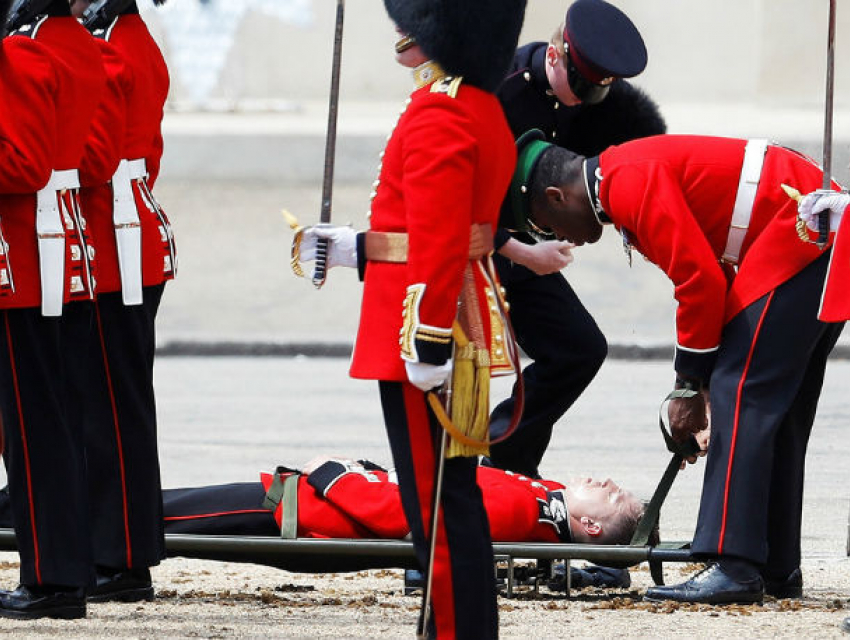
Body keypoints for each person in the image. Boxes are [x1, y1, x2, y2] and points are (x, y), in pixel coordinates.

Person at [508, 130, 846, 604]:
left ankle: (734, 563)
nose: (556, 238)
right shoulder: (620, 176)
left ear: (555, 196)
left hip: (796, 231)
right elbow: (714, 273)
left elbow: (699, 281)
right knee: (776, 409)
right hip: (806, 237)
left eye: (544, 225)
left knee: (743, 392)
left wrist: (690, 387)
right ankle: (773, 564)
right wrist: (701, 386)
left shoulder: (625, 180)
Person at [294, 1, 526, 636]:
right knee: (449, 497)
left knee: (437, 503)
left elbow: (440, 237)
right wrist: (355, 247)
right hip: (449, 310)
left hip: (428, 325)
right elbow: (424, 229)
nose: (403, 32)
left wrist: (425, 341)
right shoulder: (478, 104)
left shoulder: (441, 110)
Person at [489, 0, 666, 479]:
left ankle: (506, 458)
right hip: (473, 246)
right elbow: (454, 197)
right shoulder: (500, 91)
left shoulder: (593, 96)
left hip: (525, 249)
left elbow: (640, 149)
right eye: (580, 86)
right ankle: (462, 477)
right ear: (553, 55)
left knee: (580, 348)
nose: (581, 101)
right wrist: (522, 250)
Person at [0, 0, 106, 619]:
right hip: (65, 253)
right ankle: (67, 570)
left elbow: (22, 163)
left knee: (34, 428)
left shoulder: (22, 51)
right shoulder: (78, 43)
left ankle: (52, 581)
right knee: (58, 423)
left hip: (25, 261)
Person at [71, 0, 174, 605]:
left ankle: (120, 556)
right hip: (118, 240)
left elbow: (92, 159)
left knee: (107, 410)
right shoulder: (124, 35)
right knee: (110, 406)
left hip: (112, 247)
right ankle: (116, 548)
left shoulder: (112, 46)